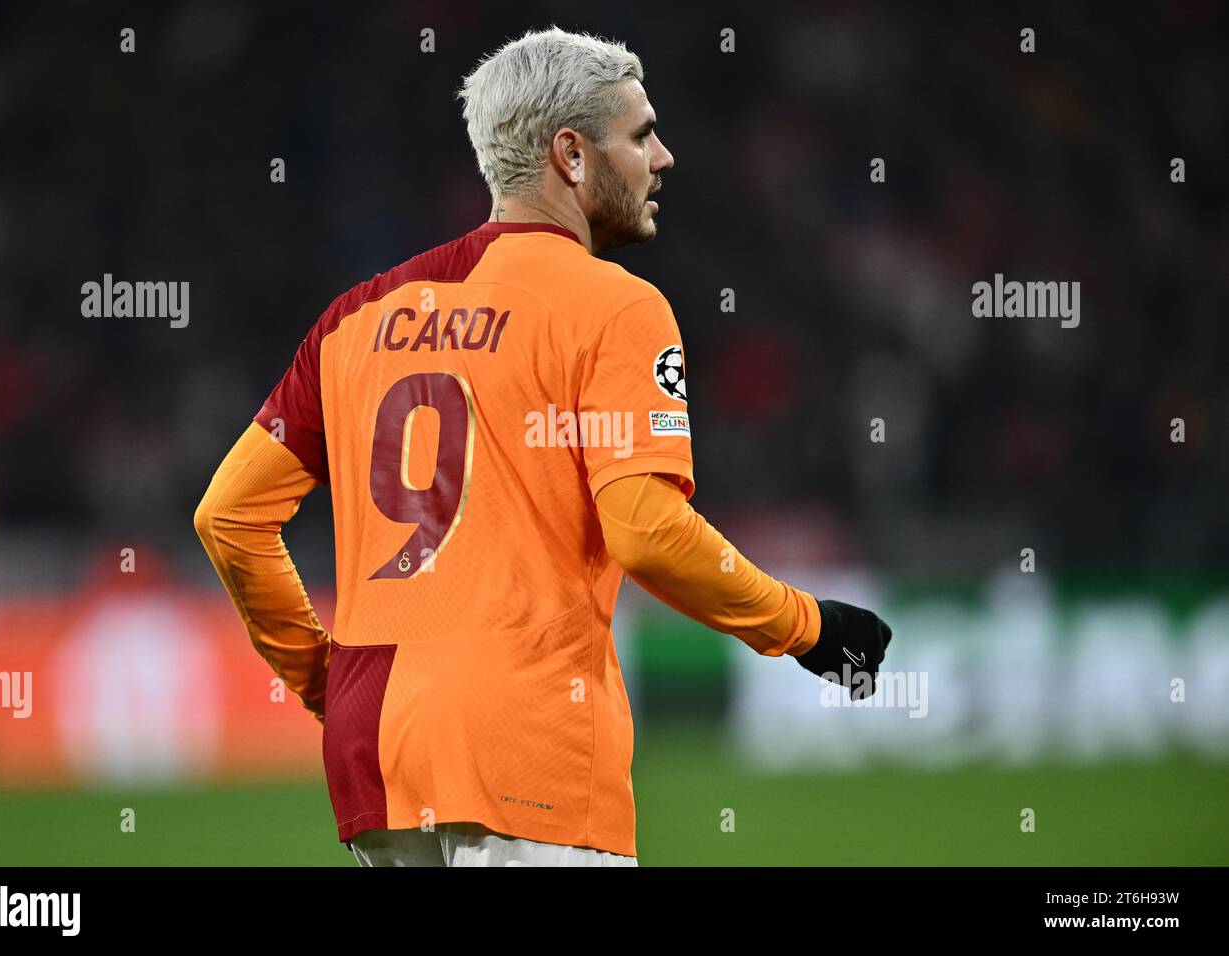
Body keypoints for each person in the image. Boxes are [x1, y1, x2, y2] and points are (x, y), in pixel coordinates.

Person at [194, 26, 891, 868]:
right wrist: (809, 629)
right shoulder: (614, 307)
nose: (663, 157)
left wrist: (329, 684)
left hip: (376, 761)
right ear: (571, 153)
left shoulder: (353, 319)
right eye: (640, 135)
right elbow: (646, 530)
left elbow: (228, 517)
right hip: (528, 754)